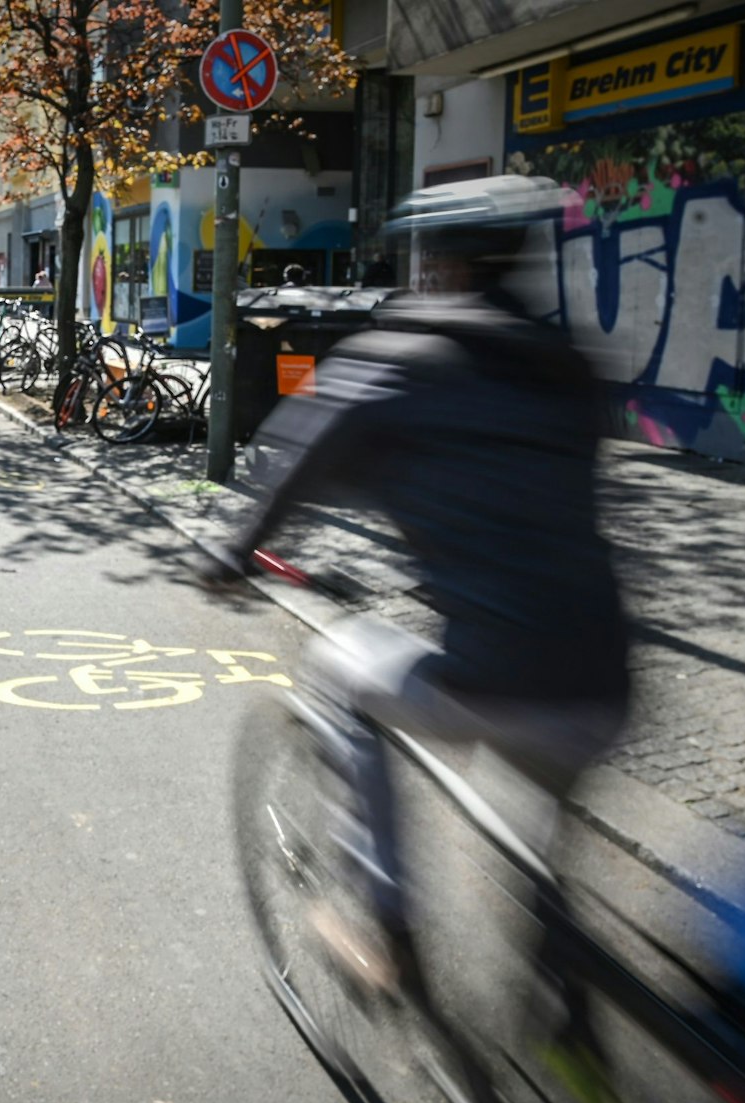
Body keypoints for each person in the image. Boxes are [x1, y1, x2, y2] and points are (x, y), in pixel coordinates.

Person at [233, 175, 629, 1053]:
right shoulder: (564, 363)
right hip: (604, 677)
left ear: (437, 263)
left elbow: (288, 463)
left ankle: (387, 921)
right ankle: (567, 998)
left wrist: (234, 553)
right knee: (539, 836)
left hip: (491, 673)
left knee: (341, 670)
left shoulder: (399, 357)